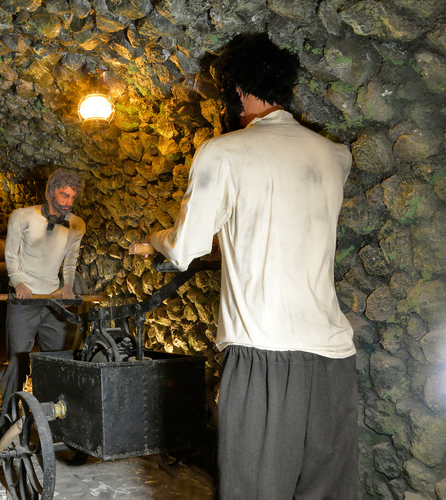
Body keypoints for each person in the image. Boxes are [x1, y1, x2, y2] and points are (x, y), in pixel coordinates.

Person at [145, 34, 357, 499]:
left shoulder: (224, 152)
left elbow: (185, 248)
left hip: (263, 353)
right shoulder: (334, 156)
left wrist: (153, 241)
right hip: (334, 359)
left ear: (238, 91)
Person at [0, 168, 86, 416]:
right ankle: (7, 415)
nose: (68, 202)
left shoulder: (77, 225)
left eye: (72, 197)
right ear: (50, 194)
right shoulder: (22, 217)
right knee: (18, 360)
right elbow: (11, 255)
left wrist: (67, 286)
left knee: (57, 359)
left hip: (52, 301)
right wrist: (19, 283)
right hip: (24, 299)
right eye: (63, 195)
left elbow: (70, 262)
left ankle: (53, 415)